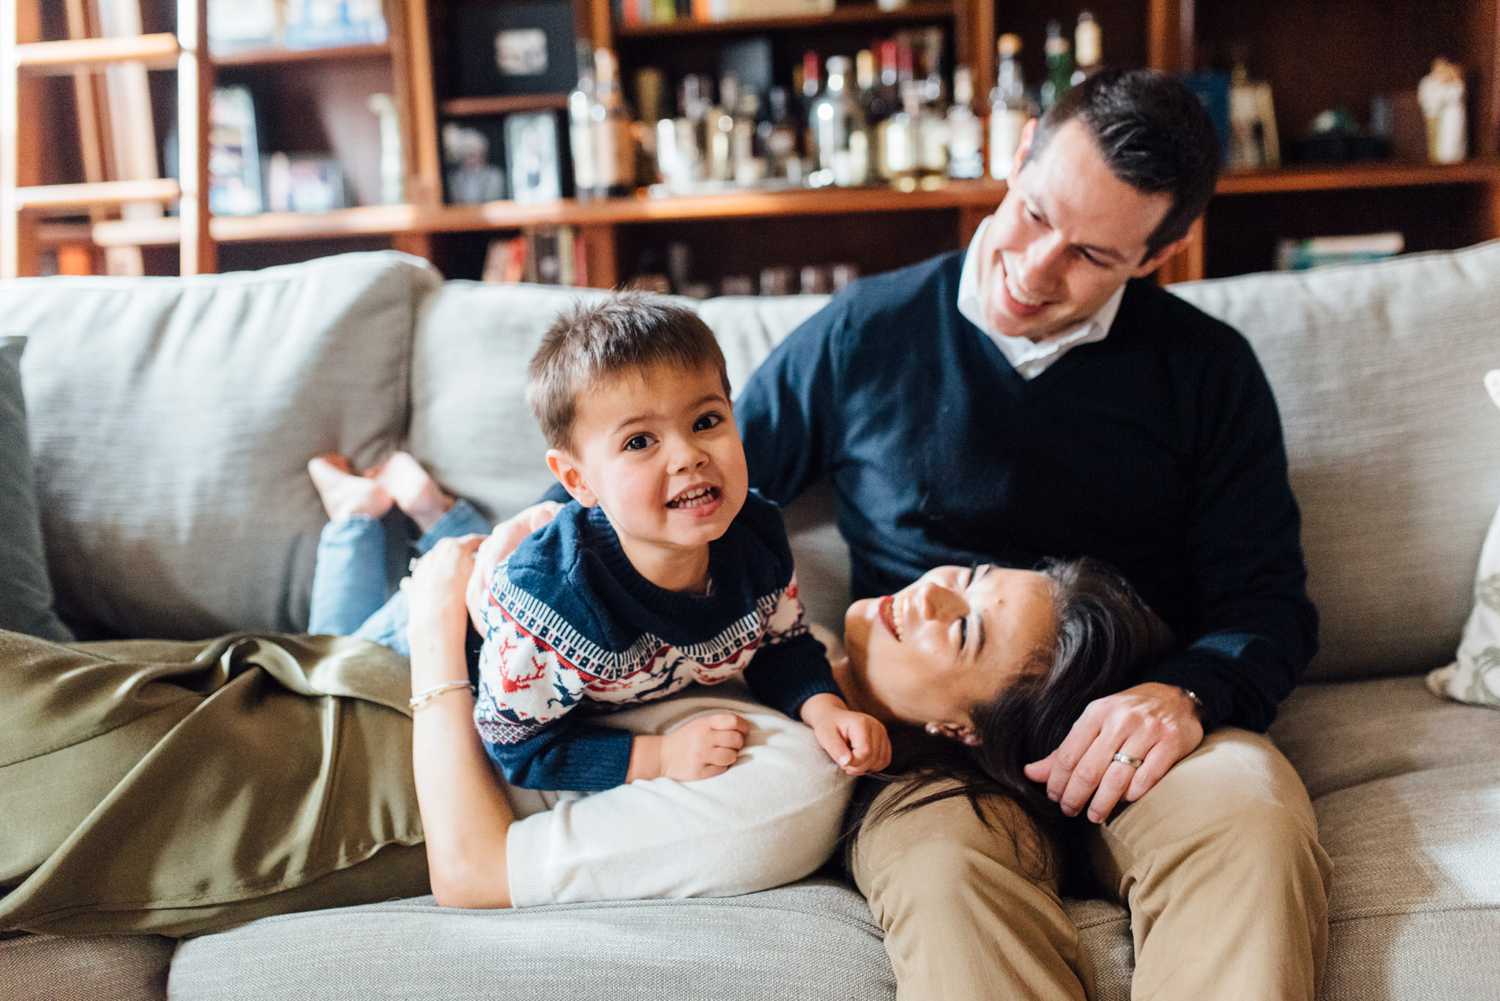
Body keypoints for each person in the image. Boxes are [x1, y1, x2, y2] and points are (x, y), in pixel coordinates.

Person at [723, 68, 1330, 1000]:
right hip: (934, 752)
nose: (1037, 269)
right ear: (1017, 157)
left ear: (1156, 257)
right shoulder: (864, 333)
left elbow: (1269, 603)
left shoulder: (1209, 372)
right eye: (1037, 213)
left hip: (1141, 739)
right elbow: (700, 501)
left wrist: (1187, 694)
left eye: (1092, 255)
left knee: (1250, 816)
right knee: (944, 877)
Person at [304, 294, 891, 909]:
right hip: (433, 643)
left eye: (707, 421)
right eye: (640, 441)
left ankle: (417, 509)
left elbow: (781, 641)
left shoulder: (758, 535)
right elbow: (522, 749)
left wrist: (824, 709)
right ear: (578, 481)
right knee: (336, 646)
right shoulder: (555, 610)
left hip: (522, 582)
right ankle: (355, 518)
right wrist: (658, 757)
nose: (689, 454)